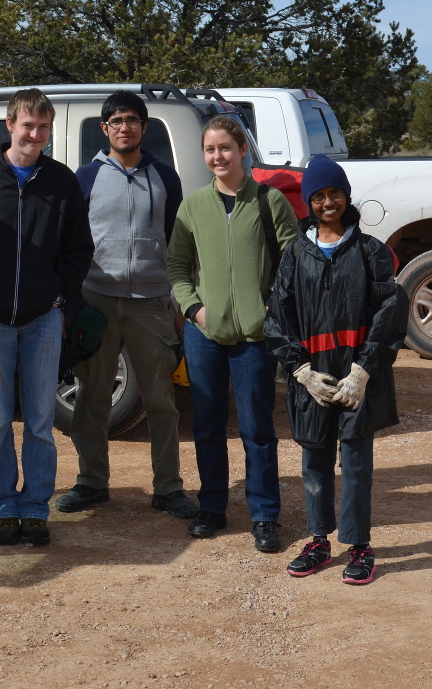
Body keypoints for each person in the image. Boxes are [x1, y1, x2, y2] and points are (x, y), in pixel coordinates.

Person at [0, 88, 93, 546]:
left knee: (41, 421)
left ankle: (35, 507)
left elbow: (78, 248)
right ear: (9, 125)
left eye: (43, 127)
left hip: (43, 318)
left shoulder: (61, 181)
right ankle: (4, 506)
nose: (35, 134)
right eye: (28, 125)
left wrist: (60, 299)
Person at [264, 154, 407, 585]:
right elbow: (278, 316)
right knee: (315, 459)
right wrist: (302, 372)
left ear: (347, 196)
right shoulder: (296, 252)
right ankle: (319, 541)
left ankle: (360, 546)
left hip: (356, 378)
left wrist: (363, 371)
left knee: (357, 462)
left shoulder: (369, 252)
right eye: (319, 196)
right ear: (309, 202)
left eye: (335, 193)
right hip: (315, 378)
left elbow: (389, 311)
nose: (328, 202)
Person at [57, 91, 198, 520]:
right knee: (92, 398)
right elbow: (71, 245)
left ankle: (169, 488)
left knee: (160, 401)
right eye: (116, 120)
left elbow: (178, 243)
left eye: (132, 120)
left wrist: (178, 300)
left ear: (144, 127)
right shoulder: (85, 178)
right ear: (104, 129)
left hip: (151, 302)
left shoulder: (165, 178)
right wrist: (70, 303)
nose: (124, 127)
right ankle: (91, 483)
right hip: (97, 301)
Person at [167, 116, 298, 552]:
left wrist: (270, 306)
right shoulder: (193, 206)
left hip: (255, 338)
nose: (218, 157)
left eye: (225, 148)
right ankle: (212, 507)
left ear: (243, 149)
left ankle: (264, 515)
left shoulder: (270, 200)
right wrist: (194, 309)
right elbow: (176, 267)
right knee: (206, 425)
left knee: (258, 428)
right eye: (210, 150)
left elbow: (292, 265)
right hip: (204, 335)